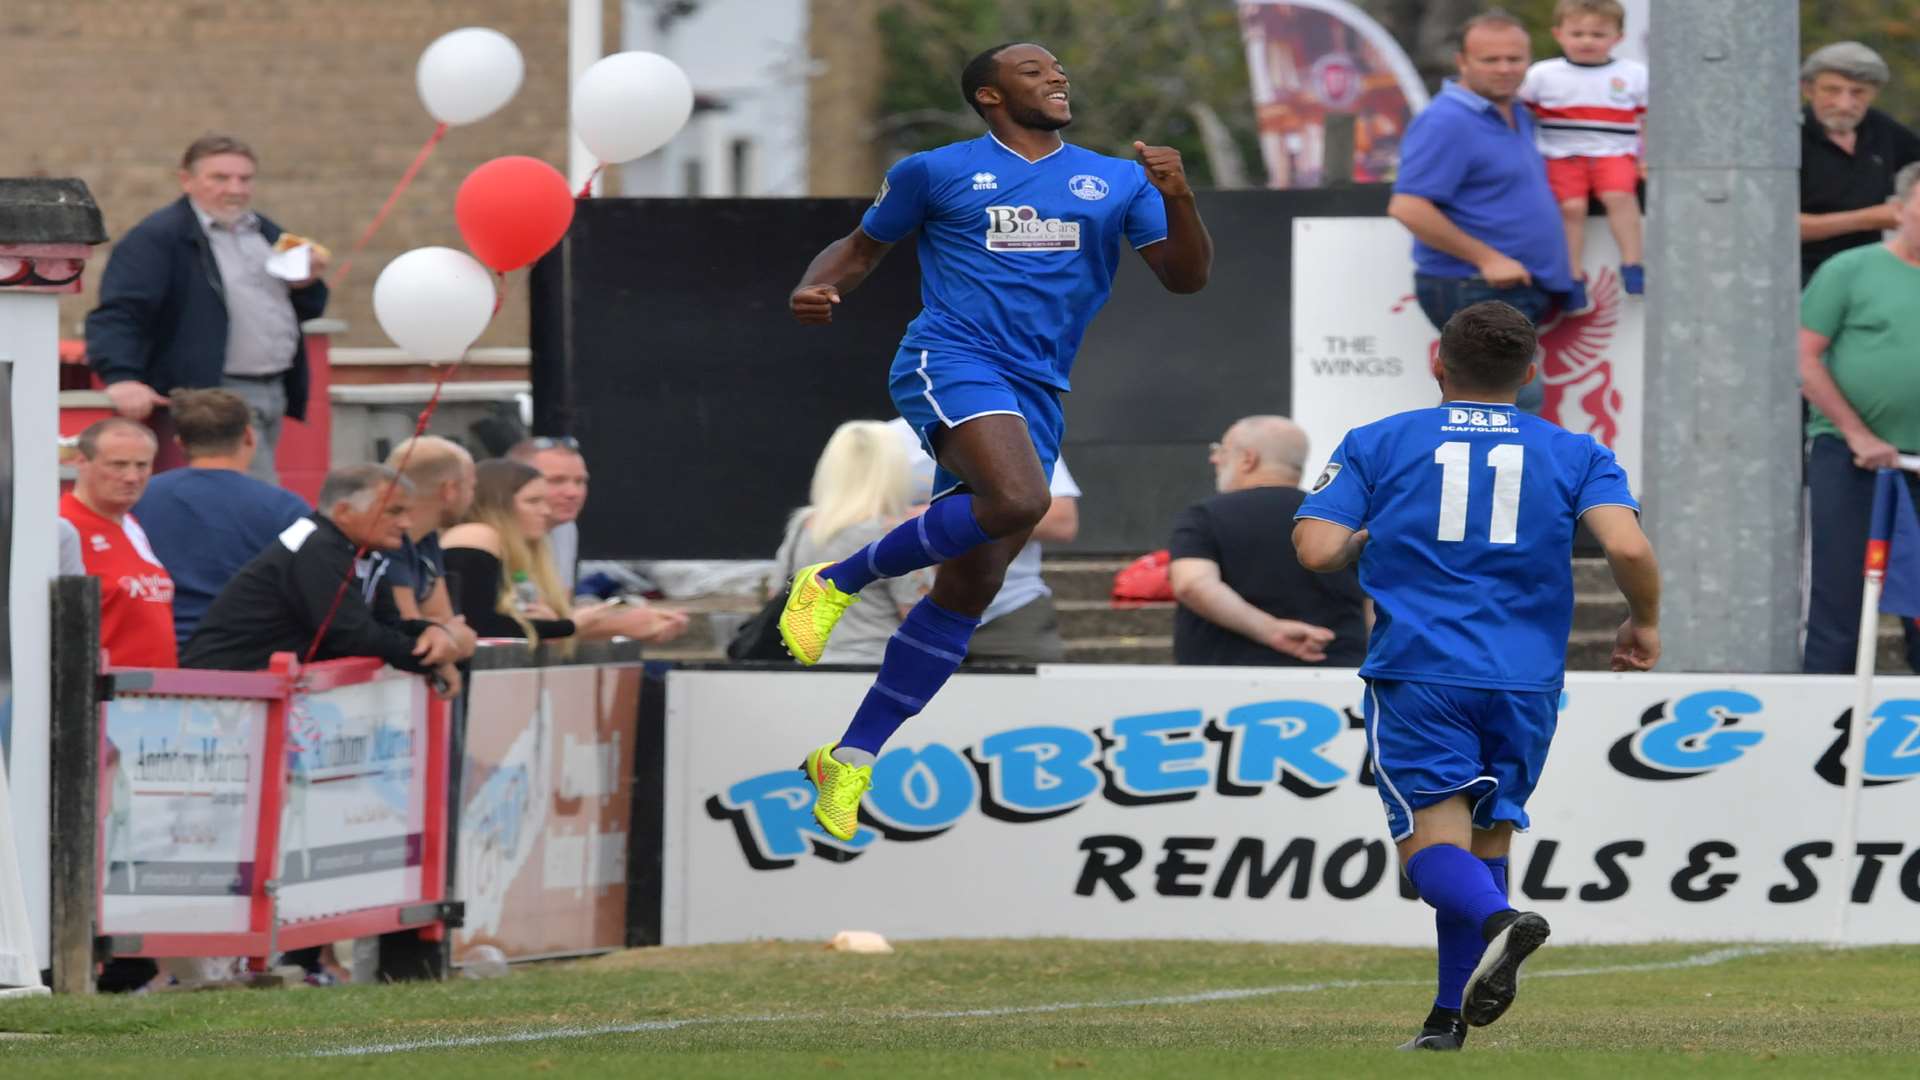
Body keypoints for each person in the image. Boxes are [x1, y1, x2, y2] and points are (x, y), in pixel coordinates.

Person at [779, 41, 1211, 840]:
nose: (1056, 76)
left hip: (1040, 387)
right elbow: (862, 248)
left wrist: (1179, 197)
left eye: (1058, 69)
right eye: (1033, 70)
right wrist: (819, 283)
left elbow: (1185, 278)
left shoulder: (1117, 180)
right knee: (1020, 500)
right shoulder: (934, 172)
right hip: (953, 358)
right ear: (988, 95)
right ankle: (832, 581)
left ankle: (850, 756)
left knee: (968, 592)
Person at [1292, 301, 1660, 1051]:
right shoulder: (1577, 451)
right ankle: (1445, 1022)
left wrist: (1363, 538)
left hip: (1422, 670)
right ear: (1530, 374)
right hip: (1526, 679)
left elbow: (1315, 550)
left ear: (1437, 361)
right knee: (1485, 843)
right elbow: (1625, 547)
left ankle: (1502, 923)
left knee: (1432, 851)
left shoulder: (1379, 442)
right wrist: (1643, 620)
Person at [84, 133, 330, 482]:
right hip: (212, 393)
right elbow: (120, 313)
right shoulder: (158, 238)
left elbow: (303, 309)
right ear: (186, 180)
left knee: (247, 497)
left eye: (244, 179)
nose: (236, 189)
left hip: (274, 389)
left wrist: (308, 285)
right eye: (220, 178)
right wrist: (121, 376)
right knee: (250, 500)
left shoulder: (265, 232)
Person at [1388, 10, 1571, 414]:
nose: (1505, 69)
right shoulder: (1445, 121)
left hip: (1508, 286)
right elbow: (1408, 206)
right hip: (1469, 282)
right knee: (1504, 401)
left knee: (1494, 403)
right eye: (1491, 59)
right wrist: (1487, 258)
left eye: (1515, 58)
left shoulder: (1518, 112)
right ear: (1462, 62)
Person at [181, 464, 461, 693]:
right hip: (223, 691)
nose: (406, 524)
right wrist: (430, 656)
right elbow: (352, 635)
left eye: (407, 513)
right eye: (394, 511)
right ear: (343, 512)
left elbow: (386, 624)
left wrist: (431, 632)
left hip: (261, 691)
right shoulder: (316, 547)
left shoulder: (365, 552)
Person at [1800, 162, 1920, 673]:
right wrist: (1857, 433)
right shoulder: (1849, 270)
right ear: (1900, 209)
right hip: (1853, 459)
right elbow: (1804, 358)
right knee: (1840, 596)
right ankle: (1822, 731)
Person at [1169, 416, 1365, 668]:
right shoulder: (1340, 523)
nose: (1214, 459)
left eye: (1222, 450)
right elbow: (1373, 598)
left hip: (1226, 681)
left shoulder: (1204, 516)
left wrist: (1272, 631)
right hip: (1337, 673)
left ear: (1248, 459)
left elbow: (1192, 584)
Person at [887, 417, 1082, 664]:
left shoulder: (1019, 431)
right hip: (908, 615)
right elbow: (846, 518)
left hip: (1006, 613)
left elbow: (1061, 520)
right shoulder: (884, 440)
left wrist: (951, 520)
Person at [132, 388, 311, 645]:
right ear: (250, 436)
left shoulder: (137, 498)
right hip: (248, 657)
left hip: (154, 650)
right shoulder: (286, 508)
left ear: (180, 443)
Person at [442, 460, 689, 645]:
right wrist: (569, 625)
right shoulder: (476, 535)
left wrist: (565, 624)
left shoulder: (524, 550)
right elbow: (478, 626)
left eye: (546, 502)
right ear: (498, 504)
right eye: (533, 502)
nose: (546, 511)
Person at [771, 422, 932, 664]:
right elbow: (919, 622)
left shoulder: (803, 526)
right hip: (880, 668)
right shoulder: (895, 534)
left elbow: (777, 597)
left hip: (810, 665)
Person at [1518, 0, 1648, 297]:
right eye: (1577, 34)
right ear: (1559, 34)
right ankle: (1573, 278)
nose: (1587, 41)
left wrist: (1644, 159)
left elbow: (1647, 119)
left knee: (1619, 196)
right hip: (1561, 155)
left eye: (1598, 34)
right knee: (1570, 208)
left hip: (1615, 152)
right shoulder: (1542, 74)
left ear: (1618, 38)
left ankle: (1632, 264)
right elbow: (1518, 114)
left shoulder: (1634, 74)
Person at [1799, 42, 1920, 284]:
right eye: (1832, 90)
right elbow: (1773, 224)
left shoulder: (1880, 127)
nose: (1844, 104)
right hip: (1799, 275)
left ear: (1873, 94)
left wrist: (1910, 203)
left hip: (1868, 273)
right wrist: (1867, 218)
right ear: (1808, 89)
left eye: (1858, 92)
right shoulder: (1788, 137)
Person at [60, 418, 177, 667]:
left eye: (142, 465)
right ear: (81, 461)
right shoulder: (62, 527)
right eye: (118, 465)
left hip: (157, 697)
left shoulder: (132, 524)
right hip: (101, 697)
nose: (132, 477)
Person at [383, 436, 479, 660]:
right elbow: (415, 633)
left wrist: (446, 633)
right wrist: (448, 633)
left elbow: (440, 619)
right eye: (471, 487)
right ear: (449, 490)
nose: (472, 497)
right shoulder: (388, 540)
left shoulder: (426, 537)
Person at [508, 437, 589, 593]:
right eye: (556, 481)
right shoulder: (488, 537)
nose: (573, 493)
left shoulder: (565, 527)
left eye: (580, 481)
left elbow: (560, 605)